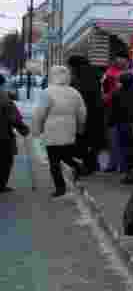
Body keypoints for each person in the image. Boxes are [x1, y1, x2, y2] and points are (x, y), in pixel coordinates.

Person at [31, 65, 87, 199]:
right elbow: (82, 113)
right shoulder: (74, 92)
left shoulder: (47, 92)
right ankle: (77, 168)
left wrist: (36, 129)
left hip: (52, 132)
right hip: (69, 130)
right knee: (67, 156)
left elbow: (40, 113)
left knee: (54, 161)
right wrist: (80, 128)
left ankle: (60, 188)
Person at [66, 54, 105, 175]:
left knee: (81, 142)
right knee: (91, 142)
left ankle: (84, 167)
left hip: (85, 115)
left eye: (70, 67)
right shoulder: (94, 74)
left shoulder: (81, 78)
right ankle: (91, 165)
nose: (70, 70)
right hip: (96, 114)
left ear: (74, 66)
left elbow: (79, 97)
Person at [108, 71, 133, 181]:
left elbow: (113, 111)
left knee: (125, 149)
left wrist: (110, 122)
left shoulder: (116, 93)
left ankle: (129, 172)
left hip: (122, 124)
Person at [0, 74, 30, 191]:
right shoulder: (3, 97)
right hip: (3, 136)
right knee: (4, 160)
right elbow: (13, 117)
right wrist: (23, 129)